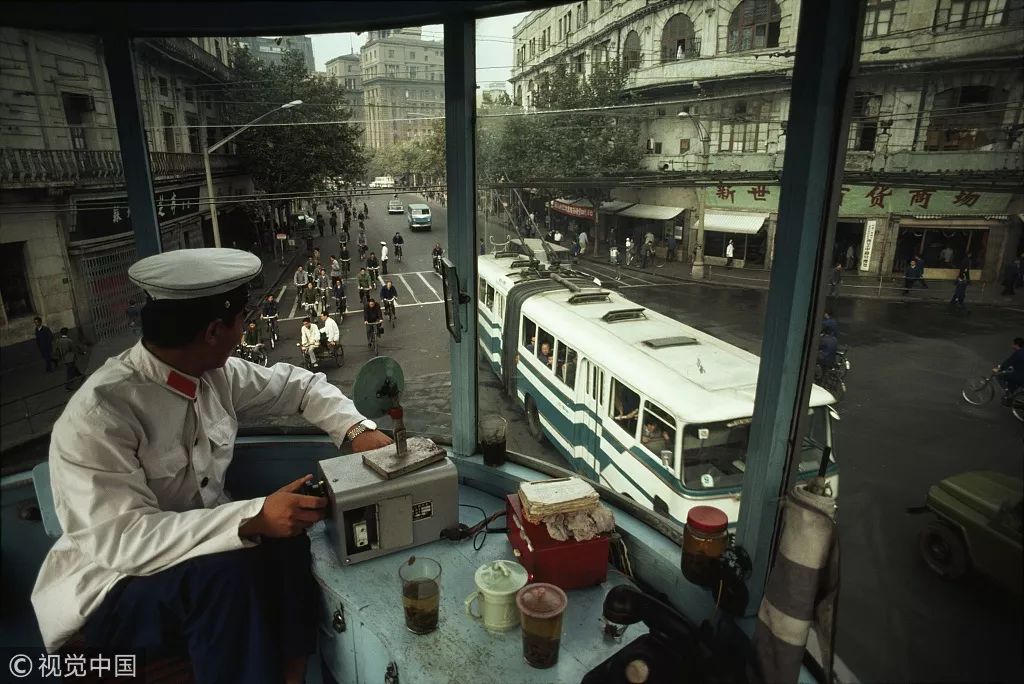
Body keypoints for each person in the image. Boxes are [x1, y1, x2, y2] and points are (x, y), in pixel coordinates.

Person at [32, 248, 390, 684]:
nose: (246, 330)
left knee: (288, 538)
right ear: (215, 331)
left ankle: (293, 675)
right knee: (225, 572)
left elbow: (300, 386)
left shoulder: (211, 374)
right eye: (243, 320)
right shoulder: (101, 413)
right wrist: (253, 517)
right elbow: (122, 540)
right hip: (114, 585)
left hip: (200, 559)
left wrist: (355, 430)